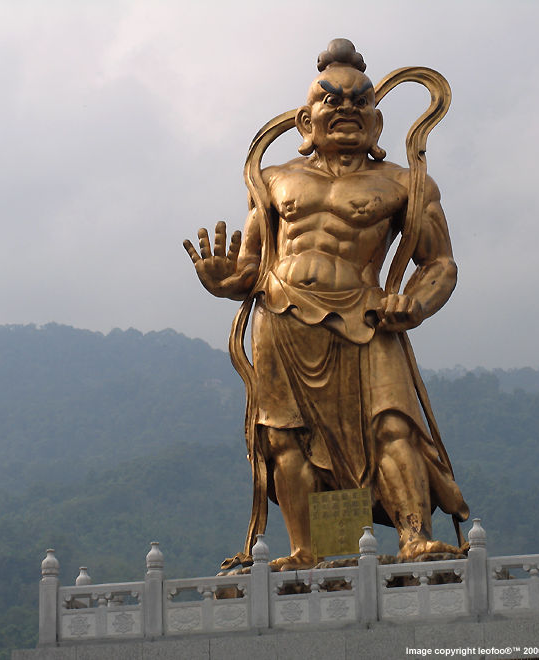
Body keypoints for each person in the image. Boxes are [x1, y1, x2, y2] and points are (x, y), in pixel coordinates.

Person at [185, 39, 468, 570]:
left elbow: (441, 264)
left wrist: (417, 304)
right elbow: (251, 265)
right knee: (283, 436)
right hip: (283, 314)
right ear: (305, 120)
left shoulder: (407, 185)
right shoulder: (273, 180)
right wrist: (224, 281)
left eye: (360, 102)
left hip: (366, 316)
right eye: (332, 100)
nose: (346, 109)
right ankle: (304, 550)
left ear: (378, 124)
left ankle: (414, 538)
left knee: (392, 423)